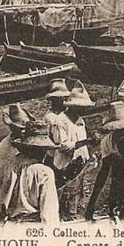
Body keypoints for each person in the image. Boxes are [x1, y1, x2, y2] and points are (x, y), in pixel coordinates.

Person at [0, 120, 60, 224]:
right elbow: (49, 214)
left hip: (8, 229)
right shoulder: (44, 173)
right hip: (33, 229)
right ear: (41, 150)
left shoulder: (4, 168)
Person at [85, 100, 124, 221]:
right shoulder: (108, 141)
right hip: (119, 178)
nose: (121, 134)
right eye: (118, 131)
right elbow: (104, 172)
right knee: (115, 214)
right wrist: (92, 203)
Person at [47, 82, 94, 219]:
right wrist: (87, 141)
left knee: (76, 197)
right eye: (82, 107)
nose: (84, 111)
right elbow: (63, 146)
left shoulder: (80, 121)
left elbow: (82, 147)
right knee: (66, 199)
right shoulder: (60, 121)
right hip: (65, 168)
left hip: (79, 166)